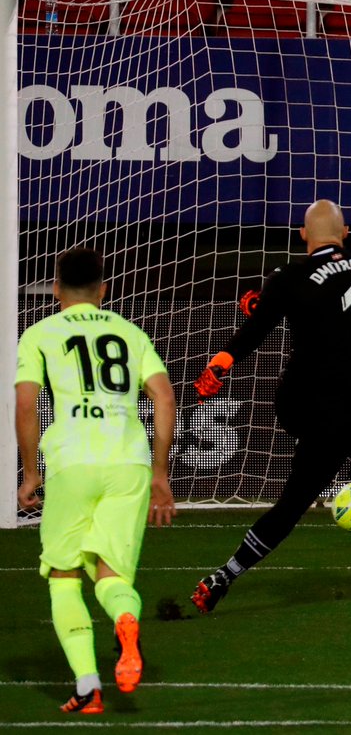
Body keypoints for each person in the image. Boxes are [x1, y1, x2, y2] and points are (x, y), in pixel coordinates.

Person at [190, 199, 351, 613]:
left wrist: (220, 362)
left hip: (298, 403)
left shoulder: (288, 277)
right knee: (293, 503)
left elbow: (260, 328)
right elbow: (327, 307)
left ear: (303, 235)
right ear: (346, 233)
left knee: (296, 489)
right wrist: (268, 305)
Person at [15, 247, 176, 714]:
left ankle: (88, 686)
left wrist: (30, 472)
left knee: (65, 577)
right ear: (103, 290)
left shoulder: (40, 333)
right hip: (129, 462)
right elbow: (163, 398)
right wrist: (160, 473)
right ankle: (125, 616)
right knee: (110, 574)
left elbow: (26, 405)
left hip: (73, 461)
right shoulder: (130, 331)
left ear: (56, 290)